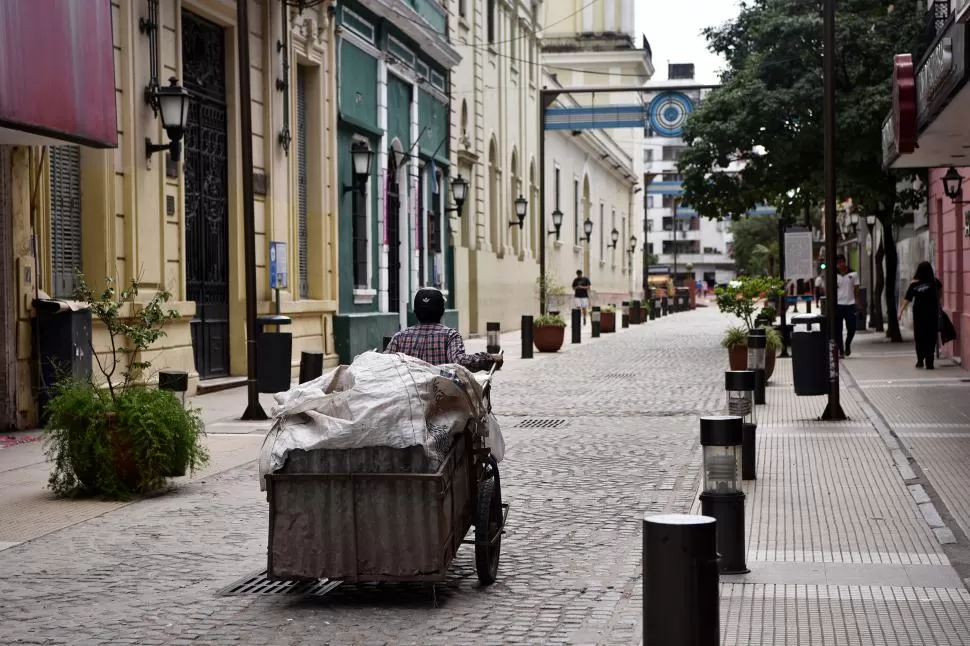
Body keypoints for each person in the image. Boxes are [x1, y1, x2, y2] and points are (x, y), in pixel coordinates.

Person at [385, 288, 503, 372]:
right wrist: (489, 358)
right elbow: (460, 362)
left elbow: (385, 366)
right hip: (442, 400)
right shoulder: (450, 336)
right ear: (442, 312)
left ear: (415, 312)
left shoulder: (399, 337)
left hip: (409, 399)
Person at [898, 261, 943, 369]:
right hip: (932, 313)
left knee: (919, 336)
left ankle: (920, 359)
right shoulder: (935, 282)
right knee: (931, 336)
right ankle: (929, 360)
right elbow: (940, 293)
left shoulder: (914, 284)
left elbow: (907, 299)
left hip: (919, 314)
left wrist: (901, 311)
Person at [835, 254, 861, 358]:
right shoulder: (834, 274)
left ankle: (847, 344)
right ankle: (841, 351)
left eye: (842, 262)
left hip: (850, 304)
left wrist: (858, 303)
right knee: (838, 330)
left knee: (852, 328)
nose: (841, 264)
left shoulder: (853, 273)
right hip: (838, 305)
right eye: (839, 262)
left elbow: (857, 289)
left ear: (845, 262)